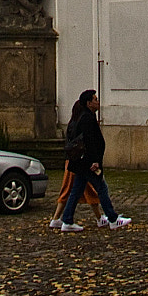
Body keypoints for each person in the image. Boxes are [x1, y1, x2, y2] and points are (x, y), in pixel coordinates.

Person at [57, 90, 131, 231]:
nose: (98, 102)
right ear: (89, 103)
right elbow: (90, 143)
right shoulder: (87, 119)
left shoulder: (82, 117)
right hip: (88, 163)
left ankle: (67, 220)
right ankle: (113, 219)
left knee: (77, 190)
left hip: (82, 163)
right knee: (101, 188)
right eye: (95, 99)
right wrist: (95, 161)